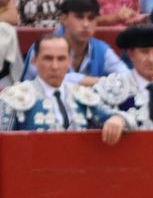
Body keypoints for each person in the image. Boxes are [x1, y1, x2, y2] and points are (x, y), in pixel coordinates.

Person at [0, 31, 129, 138]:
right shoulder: (14, 96)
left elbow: (115, 116)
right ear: (34, 61)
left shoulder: (82, 95)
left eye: (61, 59)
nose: (55, 66)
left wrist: (117, 119)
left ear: (69, 62)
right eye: (48, 58)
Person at [20, 0, 127, 84]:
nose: (86, 24)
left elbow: (126, 77)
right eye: (79, 17)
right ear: (64, 19)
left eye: (91, 18)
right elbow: (43, 80)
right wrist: (92, 81)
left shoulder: (102, 49)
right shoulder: (44, 46)